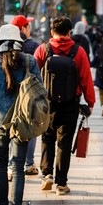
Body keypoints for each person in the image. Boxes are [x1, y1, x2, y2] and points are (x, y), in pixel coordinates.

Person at [0, 24, 42, 205]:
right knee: (18, 167)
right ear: (19, 42)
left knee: (0, 166)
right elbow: (39, 91)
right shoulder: (30, 61)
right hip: (23, 122)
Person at [34, 16, 95, 195]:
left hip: (47, 103)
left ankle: (47, 175)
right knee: (64, 142)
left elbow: (33, 75)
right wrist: (90, 102)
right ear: (70, 33)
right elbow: (86, 79)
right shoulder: (79, 51)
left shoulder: (42, 49)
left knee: (47, 137)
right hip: (70, 104)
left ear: (52, 31)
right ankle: (61, 184)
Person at [9, 15, 40, 178]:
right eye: (28, 26)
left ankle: (11, 165)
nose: (29, 29)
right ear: (22, 29)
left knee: (11, 128)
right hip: (29, 96)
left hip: (10, 95)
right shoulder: (33, 46)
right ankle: (28, 164)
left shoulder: (4, 47)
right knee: (31, 128)